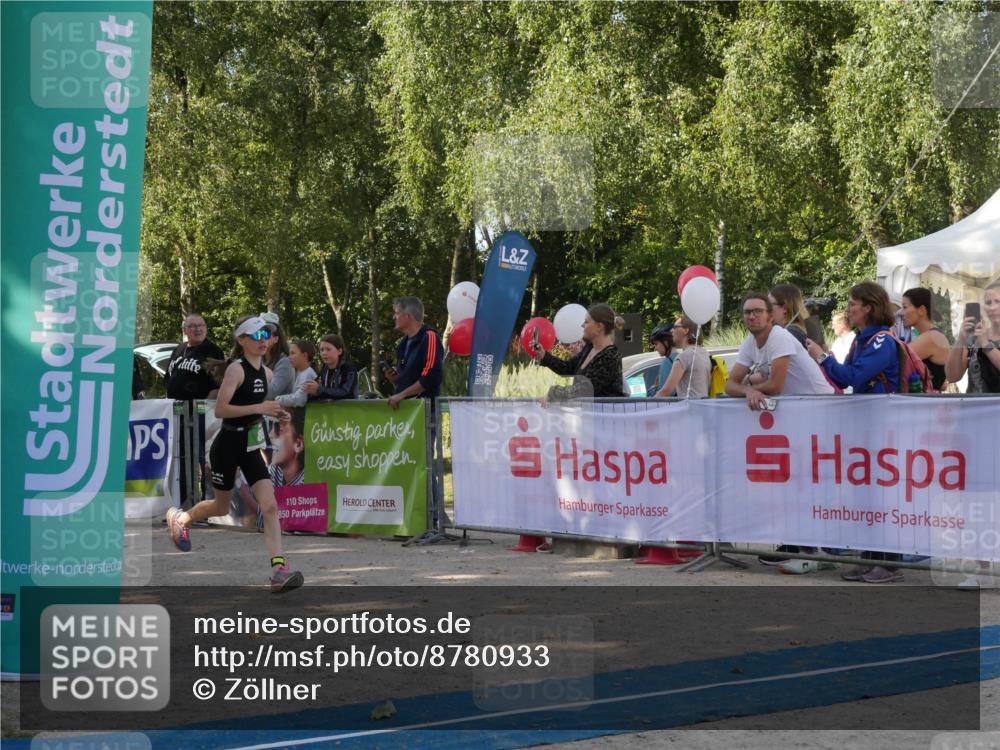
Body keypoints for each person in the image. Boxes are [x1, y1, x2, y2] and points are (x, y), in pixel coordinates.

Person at [165, 315, 303, 593]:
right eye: (256, 336)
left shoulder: (267, 373)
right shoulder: (236, 370)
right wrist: (260, 409)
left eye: (266, 335)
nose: (263, 341)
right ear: (241, 341)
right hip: (227, 446)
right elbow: (221, 410)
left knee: (270, 506)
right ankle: (180, 519)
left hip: (251, 447)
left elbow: (258, 407)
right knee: (221, 507)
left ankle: (279, 570)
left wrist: (278, 414)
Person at [806, 282, 902, 584]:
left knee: (882, 495)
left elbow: (855, 375)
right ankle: (869, 558)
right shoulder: (863, 339)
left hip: (883, 428)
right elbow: (843, 379)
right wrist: (824, 358)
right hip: (865, 428)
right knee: (866, 494)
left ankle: (889, 564)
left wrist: (822, 357)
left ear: (869, 307)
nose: (849, 309)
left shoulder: (881, 341)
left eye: (853, 303)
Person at [725, 292, 834, 411]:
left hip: (821, 404)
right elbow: (729, 385)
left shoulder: (778, 336)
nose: (751, 316)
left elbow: (775, 387)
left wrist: (749, 389)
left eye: (758, 311)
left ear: (770, 316)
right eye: (747, 312)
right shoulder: (749, 342)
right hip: (797, 405)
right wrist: (748, 391)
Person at [165, 313, 225, 507]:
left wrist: (204, 409)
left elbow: (218, 385)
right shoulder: (179, 350)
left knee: (202, 458)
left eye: (201, 325)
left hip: (200, 415)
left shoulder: (212, 351)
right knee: (181, 457)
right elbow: (169, 378)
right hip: (178, 414)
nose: (198, 329)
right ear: (185, 330)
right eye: (192, 326)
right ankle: (185, 501)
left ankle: (208, 504)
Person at [531, 303, 626, 402]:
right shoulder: (589, 348)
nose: (582, 325)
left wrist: (554, 393)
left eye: (586, 322)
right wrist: (544, 355)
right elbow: (567, 367)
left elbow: (585, 389)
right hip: (588, 411)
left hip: (604, 412)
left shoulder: (610, 356)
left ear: (599, 326)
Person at [383, 297, 444, 410]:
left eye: (397, 313)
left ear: (408, 316)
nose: (394, 317)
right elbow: (408, 379)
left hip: (424, 413)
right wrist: (395, 379)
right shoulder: (403, 343)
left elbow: (431, 376)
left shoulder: (430, 337)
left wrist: (402, 394)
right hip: (405, 412)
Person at [945, 281, 1000, 393]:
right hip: (974, 403)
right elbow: (952, 377)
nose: (992, 307)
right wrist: (961, 339)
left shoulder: (981, 338)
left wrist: (985, 344)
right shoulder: (975, 337)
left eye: (998, 301)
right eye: (988, 303)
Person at [900, 287, 949, 391]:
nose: (901, 313)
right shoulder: (930, 335)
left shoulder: (932, 337)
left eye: (905, 307)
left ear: (921, 310)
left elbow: (894, 358)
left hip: (927, 400)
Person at [654, 315, 711, 399]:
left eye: (675, 327)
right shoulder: (703, 353)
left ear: (685, 330)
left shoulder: (684, 356)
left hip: (689, 406)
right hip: (702, 405)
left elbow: (666, 391)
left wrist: (647, 405)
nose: (671, 330)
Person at [303, 334, 359, 401]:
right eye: (322, 350)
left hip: (349, 407)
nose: (324, 353)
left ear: (339, 351)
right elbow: (322, 393)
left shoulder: (348, 368)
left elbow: (346, 392)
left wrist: (319, 390)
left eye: (328, 349)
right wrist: (310, 392)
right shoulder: (324, 369)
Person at [769, 283, 825, 350]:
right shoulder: (808, 328)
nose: (766, 309)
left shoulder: (790, 333)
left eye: (769, 305)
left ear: (784, 308)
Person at [275, 339, 319, 408]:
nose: (289, 357)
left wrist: (276, 399)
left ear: (304, 355)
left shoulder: (308, 374)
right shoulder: (300, 373)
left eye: (292, 353)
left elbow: (299, 400)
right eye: (289, 354)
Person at [269, 407, 305, 487]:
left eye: (278, 429)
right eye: (270, 426)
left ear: (298, 444)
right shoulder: (273, 472)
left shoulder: (311, 481)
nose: (270, 435)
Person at [262, 312, 294, 400]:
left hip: (280, 408)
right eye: (257, 333)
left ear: (276, 339)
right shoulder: (259, 359)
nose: (261, 337)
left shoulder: (285, 362)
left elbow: (270, 393)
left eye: (265, 334)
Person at [647, 324, 677, 397]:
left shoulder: (668, 361)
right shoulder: (679, 357)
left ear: (666, 342)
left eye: (656, 344)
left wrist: (652, 389)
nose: (656, 348)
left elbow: (665, 393)